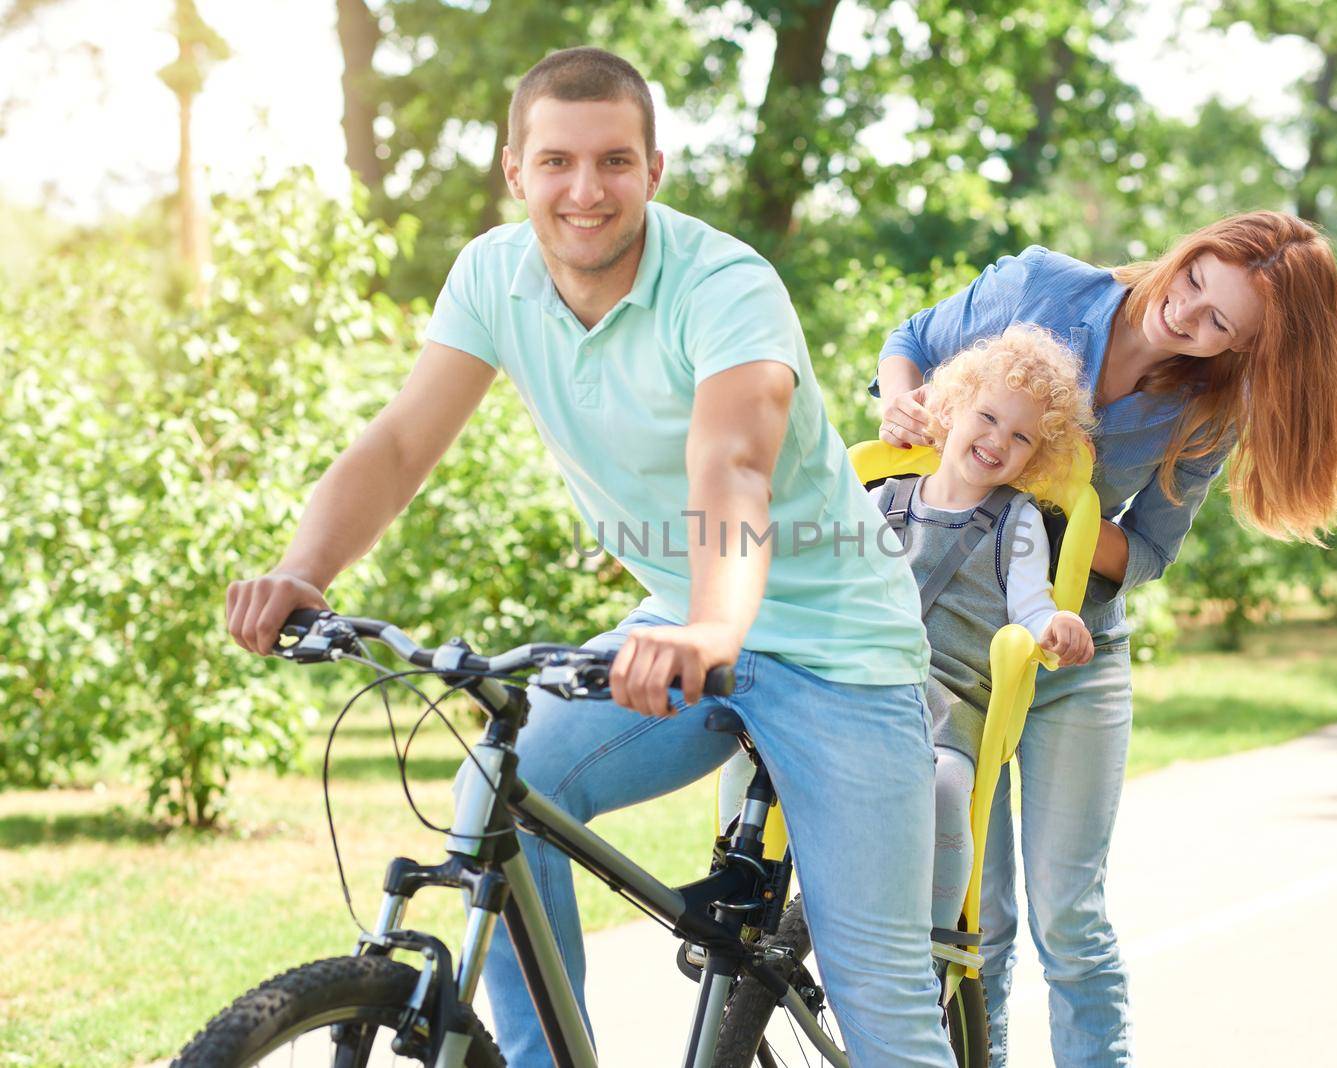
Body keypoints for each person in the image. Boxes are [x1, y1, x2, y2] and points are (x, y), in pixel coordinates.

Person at [226, 46, 958, 1068]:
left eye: (615, 161)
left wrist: (711, 626)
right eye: (557, 162)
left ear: (653, 171)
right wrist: (304, 571)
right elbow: (398, 446)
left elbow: (734, 461)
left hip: (837, 649)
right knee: (504, 790)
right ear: (515, 171)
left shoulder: (725, 284)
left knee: (880, 1004)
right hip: (684, 621)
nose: (585, 190)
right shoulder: (494, 275)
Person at [873, 211, 1337, 1067]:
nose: (1189, 316)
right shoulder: (1040, 287)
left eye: (1221, 326)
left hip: (1075, 657)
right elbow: (912, 338)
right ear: (1197, 246)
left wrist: (1045, 497)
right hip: (957, 661)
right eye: (1198, 281)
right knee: (974, 916)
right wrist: (903, 401)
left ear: (1245, 350)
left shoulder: (1209, 409)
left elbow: (1152, 549)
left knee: (1072, 917)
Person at [867, 323, 1097, 939]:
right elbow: (827, 585)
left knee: (944, 787)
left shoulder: (1016, 520)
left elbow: (1031, 607)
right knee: (751, 729)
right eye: (988, 417)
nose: (998, 440)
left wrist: (1056, 625)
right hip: (861, 682)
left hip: (947, 700)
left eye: (1021, 437)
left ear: (1035, 458)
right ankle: (742, 882)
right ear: (949, 407)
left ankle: (933, 946)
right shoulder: (883, 502)